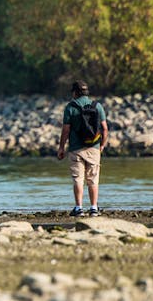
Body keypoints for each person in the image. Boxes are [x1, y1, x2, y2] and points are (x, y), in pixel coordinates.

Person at [57, 80, 109, 217]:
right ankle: (93, 208)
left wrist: (61, 147)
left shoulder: (70, 107)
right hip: (94, 147)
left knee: (78, 179)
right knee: (93, 179)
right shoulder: (97, 106)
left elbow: (66, 130)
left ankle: (78, 208)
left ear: (75, 92)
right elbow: (104, 129)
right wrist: (102, 145)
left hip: (76, 148)